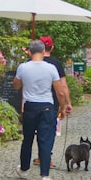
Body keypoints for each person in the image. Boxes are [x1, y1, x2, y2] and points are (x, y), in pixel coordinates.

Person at [12, 40, 70, 180]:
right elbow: (60, 92)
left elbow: (16, 85)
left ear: (30, 52)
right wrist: (62, 108)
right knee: (45, 140)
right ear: (44, 51)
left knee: (28, 139)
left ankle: (24, 168)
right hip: (47, 107)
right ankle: (45, 174)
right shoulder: (51, 68)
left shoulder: (23, 67)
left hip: (30, 106)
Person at [33, 36, 72, 168]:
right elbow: (63, 86)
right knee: (49, 131)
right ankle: (46, 157)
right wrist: (67, 103)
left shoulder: (32, 61)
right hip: (52, 102)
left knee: (38, 130)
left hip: (33, 101)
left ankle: (40, 156)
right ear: (52, 47)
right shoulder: (56, 63)